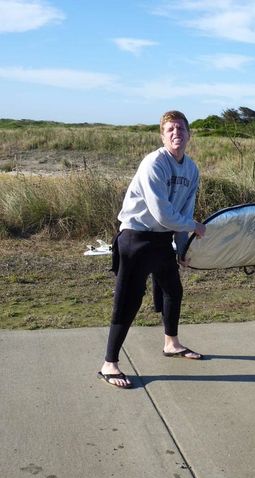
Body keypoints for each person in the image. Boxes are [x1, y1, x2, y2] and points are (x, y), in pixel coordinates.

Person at [98, 110, 206, 388]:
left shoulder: (191, 169)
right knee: (129, 300)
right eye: (170, 129)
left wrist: (183, 249)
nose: (176, 133)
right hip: (136, 238)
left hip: (161, 241)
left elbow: (185, 210)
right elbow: (163, 214)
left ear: (189, 134)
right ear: (162, 135)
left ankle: (171, 343)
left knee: (173, 290)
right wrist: (193, 225)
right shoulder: (154, 163)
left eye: (181, 128)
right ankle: (109, 363)